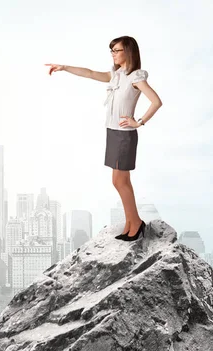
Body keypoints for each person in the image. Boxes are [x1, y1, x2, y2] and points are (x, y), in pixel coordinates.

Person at [45, 36, 163, 242]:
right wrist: (64, 67)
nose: (113, 54)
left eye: (117, 50)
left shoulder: (136, 77)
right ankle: (130, 222)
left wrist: (139, 121)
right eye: (112, 51)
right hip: (113, 132)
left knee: (120, 181)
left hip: (124, 135)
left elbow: (156, 101)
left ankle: (135, 223)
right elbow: (90, 73)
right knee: (120, 180)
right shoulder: (116, 75)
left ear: (129, 52)